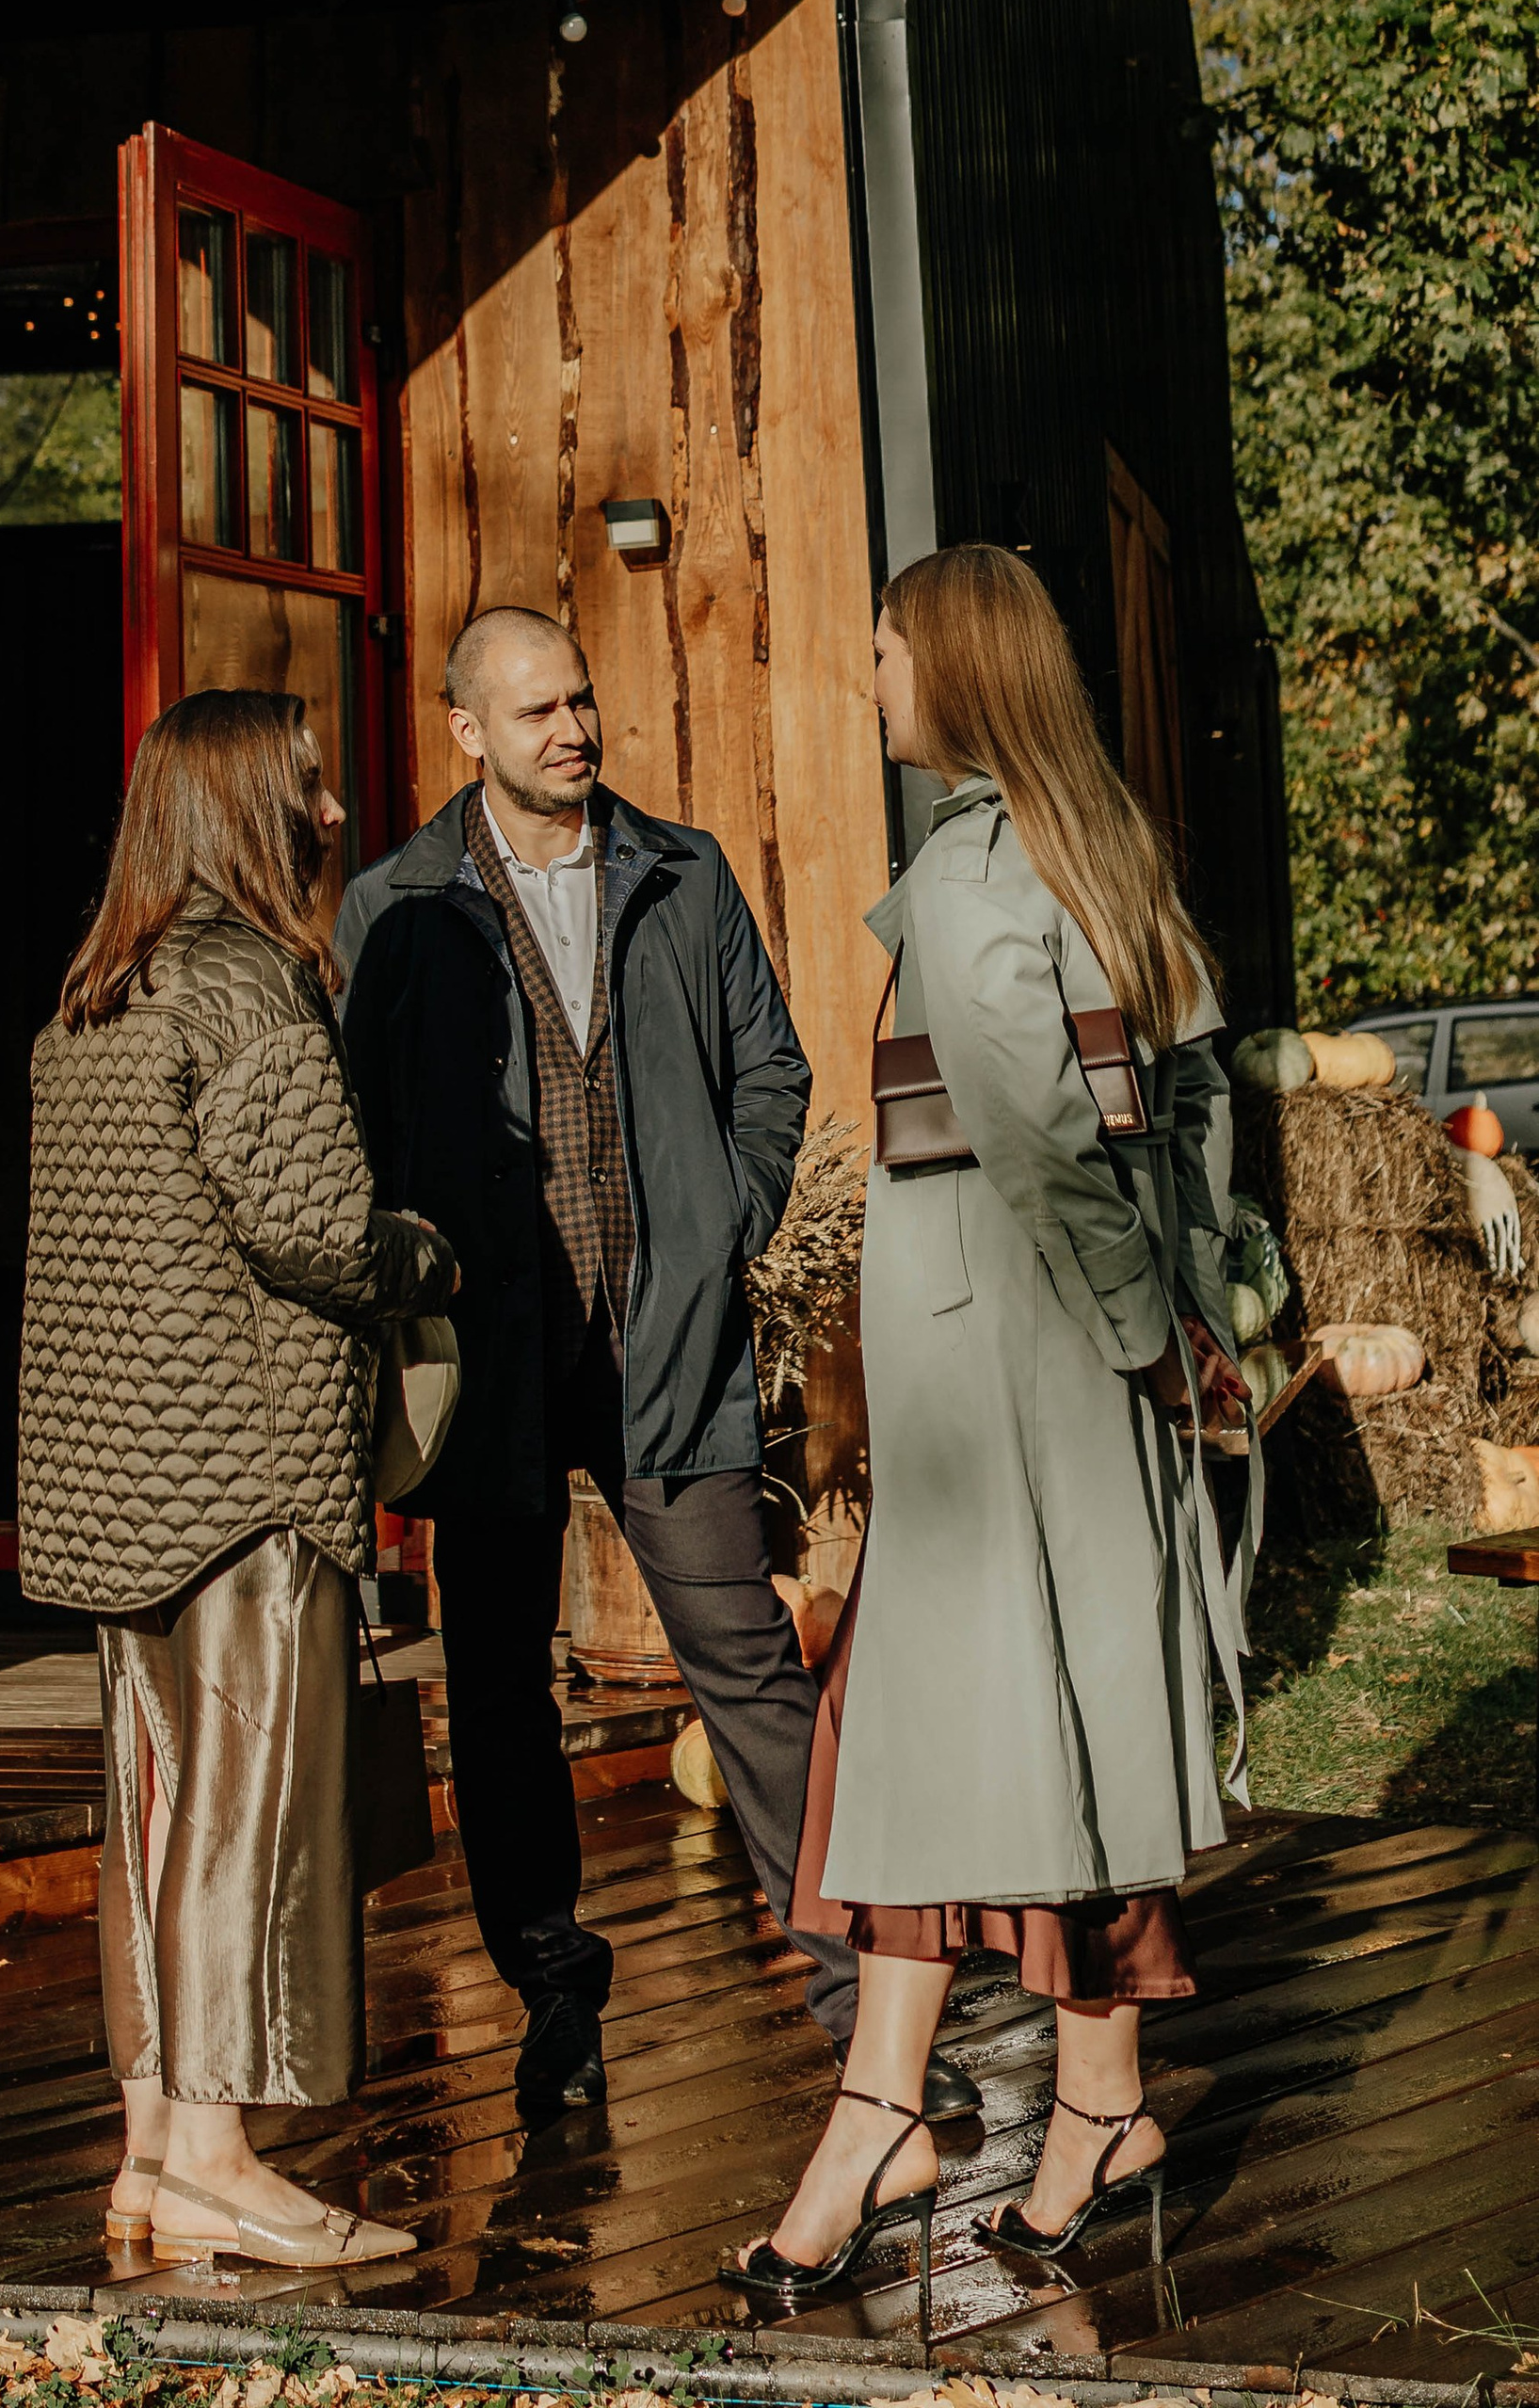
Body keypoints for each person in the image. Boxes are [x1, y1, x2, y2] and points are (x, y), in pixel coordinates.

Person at [726, 544, 1251, 2327]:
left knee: (920, 1740)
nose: (869, 683)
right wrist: (1193, 1319)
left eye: (882, 653)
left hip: (1010, 1386)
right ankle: (1082, 2107)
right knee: (1061, 1731)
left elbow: (1032, 1145)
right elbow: (1190, 1116)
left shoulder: (970, 882)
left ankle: (889, 2118)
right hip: (1077, 1380)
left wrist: (1135, 1334)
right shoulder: (1100, 851)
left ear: (949, 669)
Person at [336, 607, 929, 2119]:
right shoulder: (398, 903)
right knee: (498, 1696)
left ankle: (862, 2002)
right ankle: (553, 1995)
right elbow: (357, 1131)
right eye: (535, 712)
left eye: (580, 701)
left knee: (746, 1673)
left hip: (668, 1352)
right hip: (487, 1369)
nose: (572, 732)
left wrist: (720, 1228)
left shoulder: (682, 871)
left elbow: (771, 1072)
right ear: (467, 730)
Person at [18, 688, 454, 2270]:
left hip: (123, 1485)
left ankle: (150, 2146)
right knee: (253, 1816)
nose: (336, 817)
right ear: (238, 813)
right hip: (249, 1473)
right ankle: (218, 2156)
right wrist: (427, 1247)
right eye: (313, 792)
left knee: (157, 1811)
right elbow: (320, 1233)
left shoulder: (97, 992)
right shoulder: (251, 988)